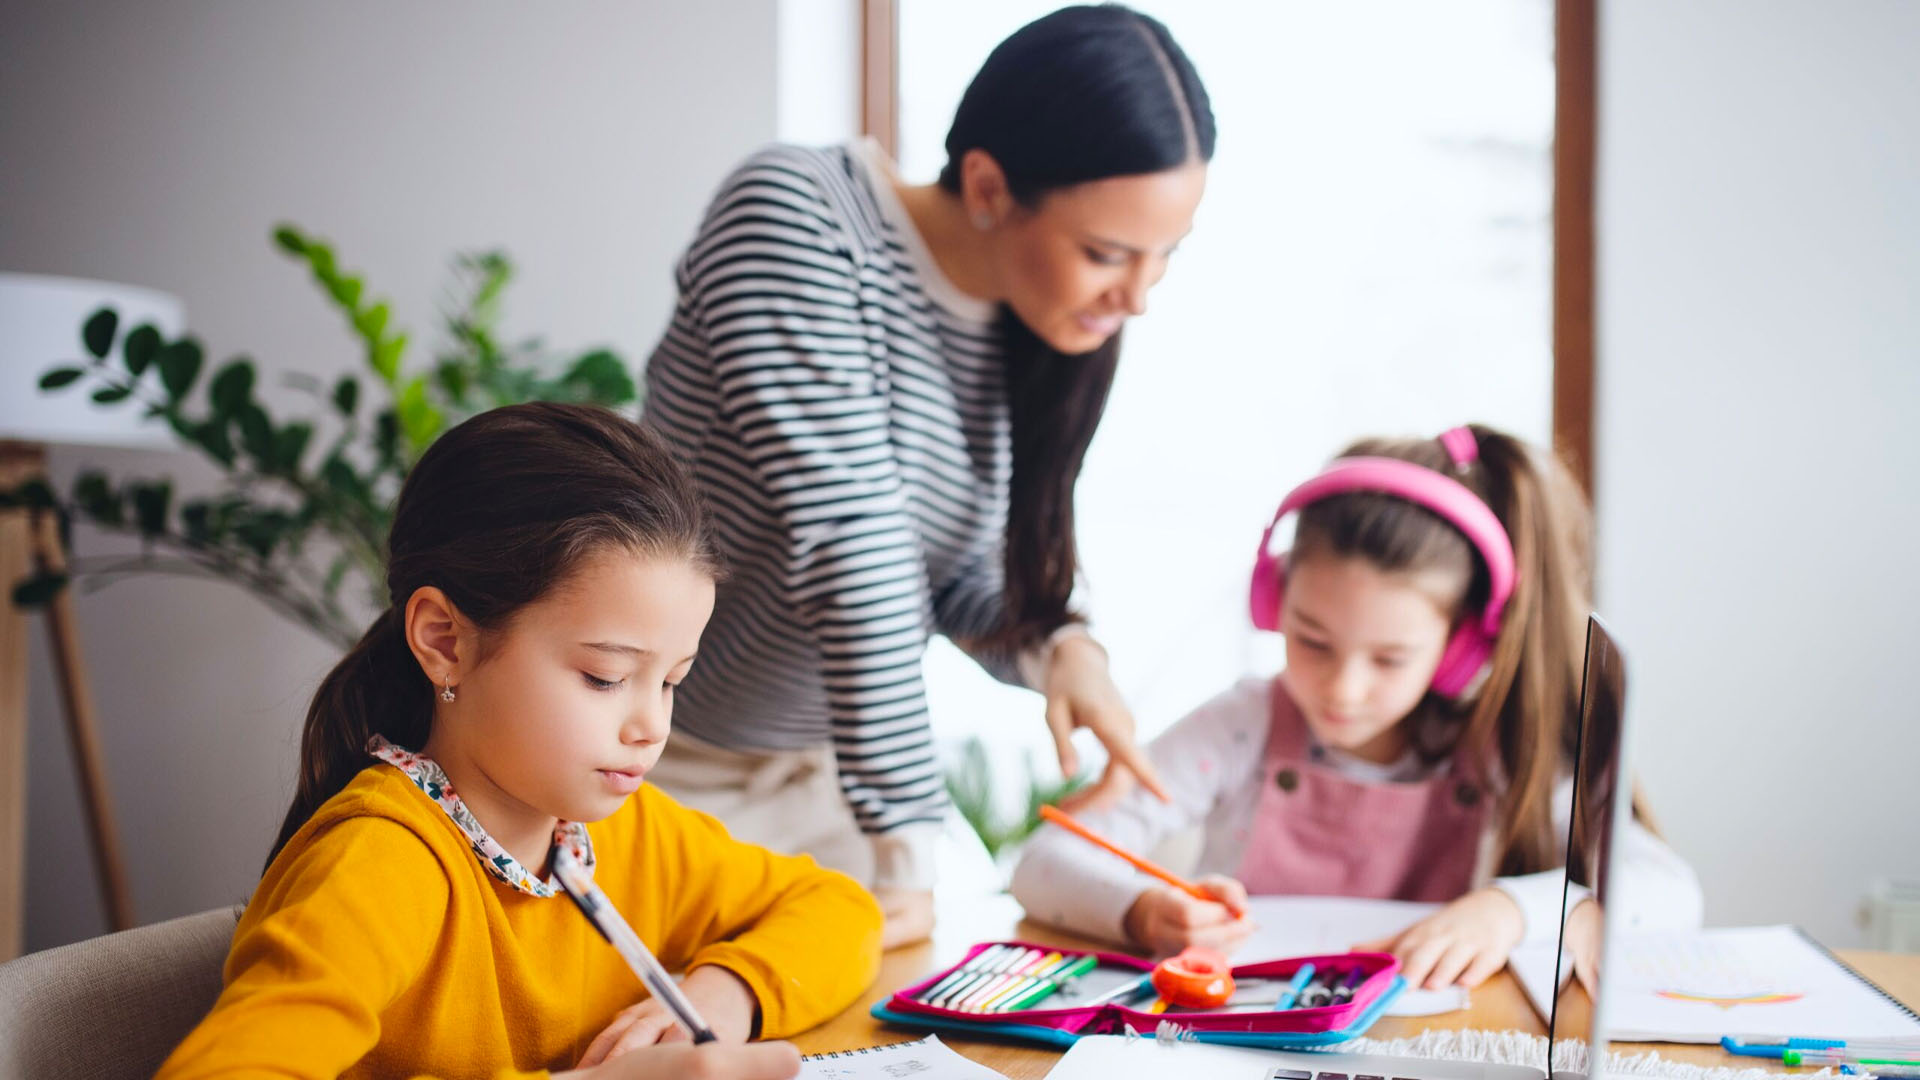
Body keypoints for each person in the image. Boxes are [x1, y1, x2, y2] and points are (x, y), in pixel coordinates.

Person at [640, 4, 1216, 946]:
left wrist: (1059, 645)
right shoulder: (797, 212)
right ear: (988, 186)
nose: (1139, 298)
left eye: (1165, 258)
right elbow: (856, 547)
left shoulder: (1027, 324)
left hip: (821, 783)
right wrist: (907, 848)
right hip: (656, 771)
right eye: (1108, 254)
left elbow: (949, 581)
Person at [157, 404, 880, 1079]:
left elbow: (840, 910)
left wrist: (721, 997)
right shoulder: (378, 869)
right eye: (605, 677)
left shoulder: (628, 834)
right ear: (445, 641)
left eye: (670, 682)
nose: (652, 726)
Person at [1011, 425, 1703, 989]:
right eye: (1311, 640)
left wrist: (1511, 910)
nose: (1342, 689)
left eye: (1389, 659)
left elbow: (1668, 892)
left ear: (1462, 646)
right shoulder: (1241, 725)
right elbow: (1042, 863)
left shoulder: (1497, 745)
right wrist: (1142, 911)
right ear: (1271, 602)